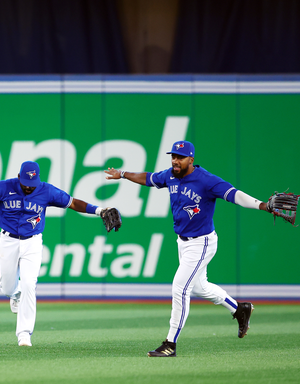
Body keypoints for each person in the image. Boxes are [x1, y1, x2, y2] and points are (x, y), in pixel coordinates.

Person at [104, 140, 271, 357]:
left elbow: (234, 195)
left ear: (191, 160)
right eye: (173, 156)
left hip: (201, 242)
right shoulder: (170, 175)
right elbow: (148, 178)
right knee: (200, 288)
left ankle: (170, 344)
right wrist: (123, 174)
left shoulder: (206, 180)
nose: (175, 160)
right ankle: (240, 309)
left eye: (180, 157)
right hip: (182, 242)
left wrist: (263, 205)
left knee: (180, 288)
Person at [0, 160, 118, 347]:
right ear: (19, 177)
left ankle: (24, 334)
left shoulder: (46, 190)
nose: (29, 188)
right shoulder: (3, 187)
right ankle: (14, 294)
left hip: (33, 242)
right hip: (8, 241)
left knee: (29, 284)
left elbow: (73, 203)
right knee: (8, 287)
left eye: (32, 185)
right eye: (26, 184)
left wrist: (100, 210)